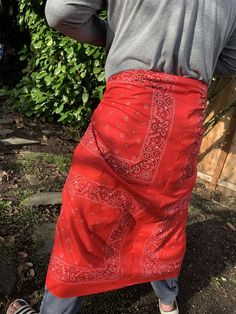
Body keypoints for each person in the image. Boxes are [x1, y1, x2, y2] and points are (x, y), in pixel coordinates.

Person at [7, 1, 236, 314]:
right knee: (166, 214)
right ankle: (168, 302)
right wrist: (202, 54)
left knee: (85, 217)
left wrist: (115, 34)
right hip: (184, 121)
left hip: (129, 109)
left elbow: (61, 12)